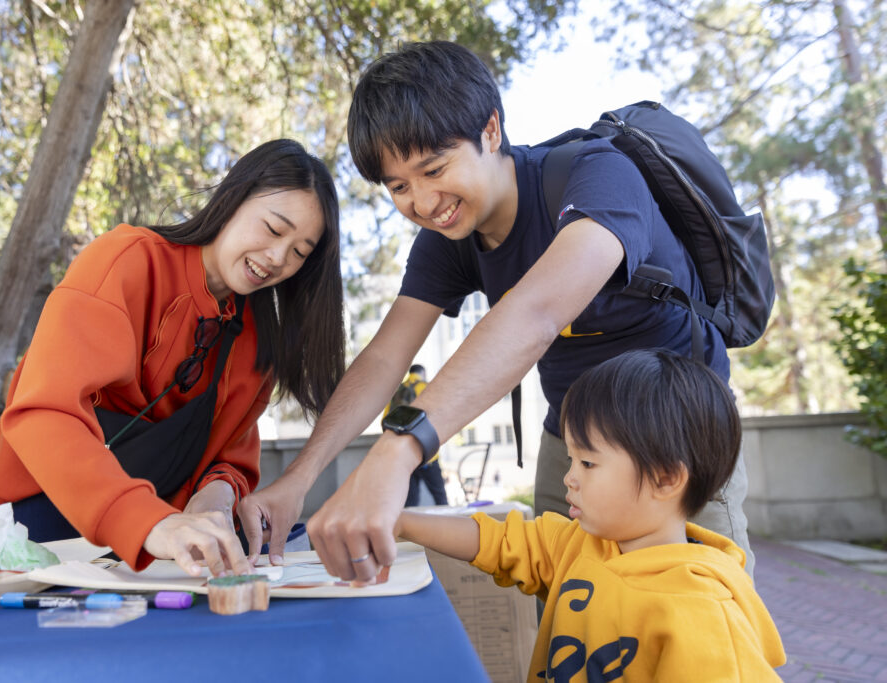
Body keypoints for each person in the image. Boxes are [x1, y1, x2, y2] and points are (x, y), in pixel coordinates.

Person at [237, 40, 753, 582]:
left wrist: (398, 450)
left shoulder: (599, 175)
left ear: (490, 131)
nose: (424, 202)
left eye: (435, 168)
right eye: (399, 187)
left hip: (676, 437)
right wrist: (298, 480)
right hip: (573, 440)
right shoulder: (447, 240)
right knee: (570, 617)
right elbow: (386, 357)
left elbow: (536, 313)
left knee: (698, 612)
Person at [0, 139, 345, 578]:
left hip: (164, 544)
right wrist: (153, 523)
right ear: (233, 199)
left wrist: (217, 499)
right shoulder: (126, 261)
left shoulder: (259, 339)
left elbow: (232, 456)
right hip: (36, 522)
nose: (279, 257)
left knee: (303, 548)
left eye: (300, 252)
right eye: (274, 229)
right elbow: (45, 414)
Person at [396, 349, 786, 681]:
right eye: (571, 459)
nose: (569, 477)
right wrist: (400, 522)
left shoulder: (704, 617)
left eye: (587, 462)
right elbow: (496, 541)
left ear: (666, 478)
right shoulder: (580, 545)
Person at [384, 364, 449, 506]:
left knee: (411, 502)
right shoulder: (427, 387)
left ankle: (409, 528)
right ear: (422, 373)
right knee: (440, 497)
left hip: (406, 454)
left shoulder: (397, 390)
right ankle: (449, 527)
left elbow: (386, 419)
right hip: (428, 454)